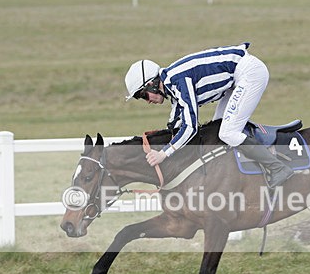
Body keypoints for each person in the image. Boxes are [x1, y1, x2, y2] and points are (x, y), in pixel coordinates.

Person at [124, 42, 294, 187]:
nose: (146, 101)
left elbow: (190, 127)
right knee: (217, 129)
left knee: (228, 133)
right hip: (236, 78)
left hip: (249, 73)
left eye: (143, 95)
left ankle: (278, 168)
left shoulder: (178, 81)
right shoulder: (172, 85)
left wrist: (163, 154)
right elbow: (174, 126)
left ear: (152, 84)